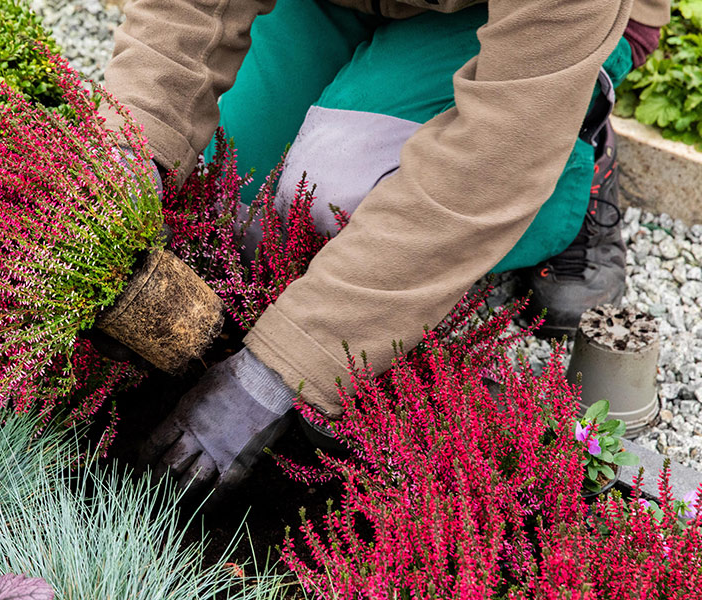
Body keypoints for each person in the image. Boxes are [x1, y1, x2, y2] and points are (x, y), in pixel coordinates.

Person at [101, 0, 669, 500]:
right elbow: (184, 18)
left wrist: (281, 372)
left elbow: (489, 163)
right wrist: (133, 157)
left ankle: (579, 148)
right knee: (231, 186)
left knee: (331, 197)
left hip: (525, 38)